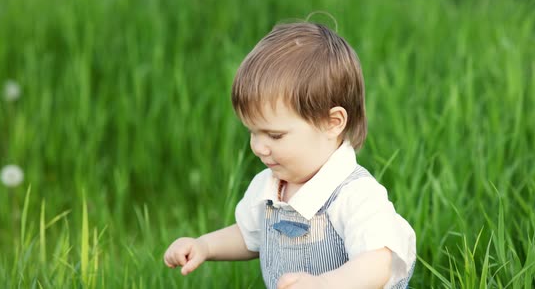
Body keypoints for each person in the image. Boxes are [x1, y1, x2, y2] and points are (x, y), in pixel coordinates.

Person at [164, 21, 416, 289]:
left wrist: (325, 284)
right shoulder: (269, 185)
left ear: (332, 123)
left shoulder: (355, 195)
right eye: (252, 132)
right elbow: (250, 234)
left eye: (275, 136)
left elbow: (377, 263)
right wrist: (205, 246)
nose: (259, 147)